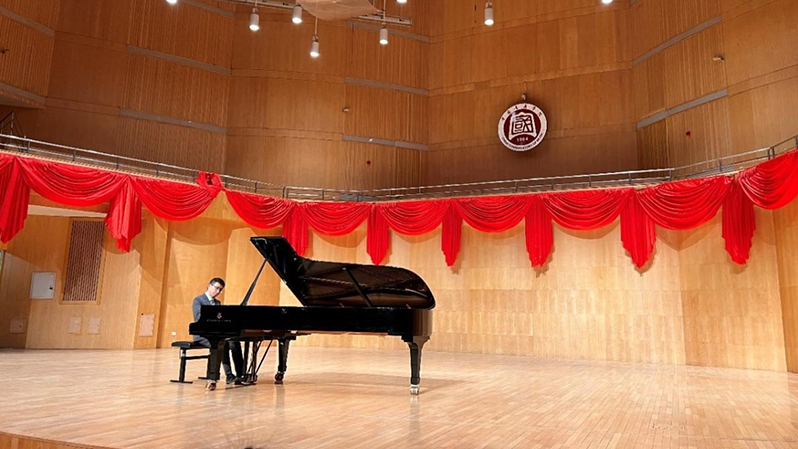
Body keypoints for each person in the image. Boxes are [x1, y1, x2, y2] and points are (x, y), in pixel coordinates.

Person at [192, 277, 245, 385]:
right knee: (222, 344)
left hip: (216, 334)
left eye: (220, 290)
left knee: (234, 342)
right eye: (216, 288)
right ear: (209, 286)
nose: (218, 291)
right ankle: (226, 375)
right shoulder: (198, 300)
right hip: (203, 335)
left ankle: (241, 374)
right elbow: (198, 317)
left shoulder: (217, 303)